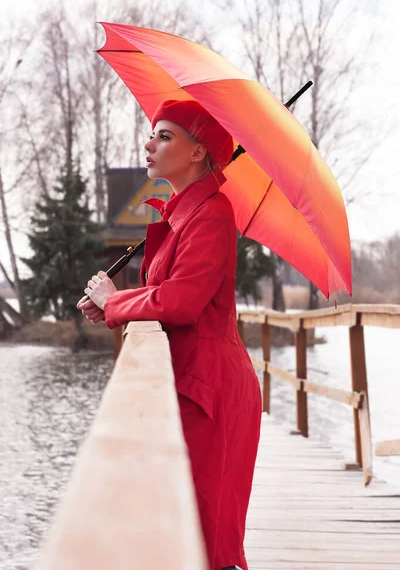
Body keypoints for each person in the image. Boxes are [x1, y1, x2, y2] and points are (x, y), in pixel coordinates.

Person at [77, 99, 262, 570]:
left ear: (198, 151)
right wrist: (115, 303)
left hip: (210, 389)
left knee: (207, 539)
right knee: (190, 531)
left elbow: (181, 300)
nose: (148, 143)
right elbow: (164, 292)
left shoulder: (212, 214)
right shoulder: (185, 212)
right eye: (152, 133)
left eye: (164, 135)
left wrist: (115, 302)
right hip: (192, 382)